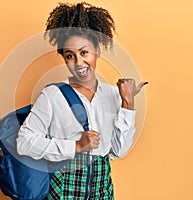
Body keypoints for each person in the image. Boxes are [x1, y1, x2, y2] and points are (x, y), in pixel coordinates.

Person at [16, 2, 148, 199]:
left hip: (102, 191)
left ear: (97, 51)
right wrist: (76, 146)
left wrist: (127, 103)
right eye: (70, 56)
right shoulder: (53, 95)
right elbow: (24, 143)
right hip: (64, 191)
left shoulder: (112, 94)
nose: (78, 63)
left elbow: (118, 151)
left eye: (84, 52)